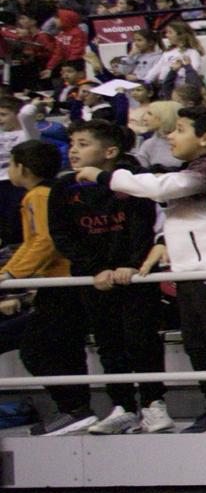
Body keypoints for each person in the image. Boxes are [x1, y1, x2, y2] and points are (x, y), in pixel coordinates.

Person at [79, 108, 206, 433]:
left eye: (180, 129)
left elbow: (162, 188)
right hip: (188, 269)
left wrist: (103, 175)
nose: (170, 135)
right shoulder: (196, 167)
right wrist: (160, 241)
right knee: (197, 344)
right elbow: (181, 214)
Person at [47, 119, 172, 433]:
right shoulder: (62, 187)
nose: (74, 150)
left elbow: (144, 227)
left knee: (142, 338)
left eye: (83, 144)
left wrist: (131, 265)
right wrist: (95, 269)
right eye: (72, 143)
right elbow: (62, 236)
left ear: (110, 151)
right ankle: (123, 407)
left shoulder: (133, 181)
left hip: (136, 274)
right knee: (107, 341)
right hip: (94, 278)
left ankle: (154, 404)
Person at [2, 140, 97, 435]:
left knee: (39, 348)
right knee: (57, 347)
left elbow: (45, 241)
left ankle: (74, 409)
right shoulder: (39, 195)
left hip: (63, 284)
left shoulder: (39, 197)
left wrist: (10, 274)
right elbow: (34, 243)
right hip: (58, 284)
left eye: (11, 164)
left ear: (23, 168)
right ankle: (74, 408)